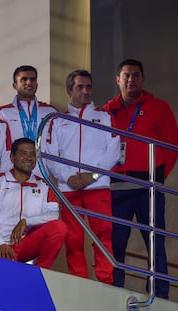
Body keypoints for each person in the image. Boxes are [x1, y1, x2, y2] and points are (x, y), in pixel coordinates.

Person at [104, 59, 178, 298]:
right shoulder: (107, 111)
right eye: (126, 75)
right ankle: (113, 291)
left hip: (148, 184)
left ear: (142, 79)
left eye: (136, 75)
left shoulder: (159, 107)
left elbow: (171, 145)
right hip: (117, 185)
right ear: (118, 80)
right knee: (116, 243)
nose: (130, 79)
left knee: (155, 243)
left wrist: (157, 177)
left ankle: (159, 294)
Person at [45, 70, 120, 284]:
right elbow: (50, 154)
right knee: (73, 240)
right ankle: (80, 284)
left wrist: (93, 176)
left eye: (89, 86)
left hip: (98, 187)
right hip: (69, 189)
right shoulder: (57, 120)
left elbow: (113, 152)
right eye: (80, 87)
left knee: (103, 237)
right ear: (70, 90)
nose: (85, 91)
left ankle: (106, 283)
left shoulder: (104, 116)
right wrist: (68, 177)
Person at [0, 138, 67, 268]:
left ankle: (41, 271)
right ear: (12, 157)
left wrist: (26, 221)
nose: (29, 157)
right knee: (1, 281)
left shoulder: (44, 185)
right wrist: (0, 243)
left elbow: (53, 215)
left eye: (33, 154)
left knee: (59, 227)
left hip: (26, 244)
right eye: (23, 153)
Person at [0, 65, 57, 175]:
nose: (29, 82)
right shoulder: (3, 113)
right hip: (12, 173)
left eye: (33, 79)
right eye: (24, 79)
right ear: (15, 85)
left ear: (37, 84)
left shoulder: (50, 111)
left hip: (42, 173)